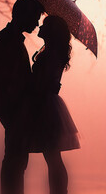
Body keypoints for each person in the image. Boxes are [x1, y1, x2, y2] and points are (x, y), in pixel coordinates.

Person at [0, 0, 43, 194]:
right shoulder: (7, 40)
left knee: (17, 159)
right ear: (23, 15)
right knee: (15, 159)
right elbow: (10, 79)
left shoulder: (9, 39)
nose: (37, 24)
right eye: (35, 18)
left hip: (15, 108)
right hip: (15, 108)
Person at [28, 15, 80, 194]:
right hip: (46, 104)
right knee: (52, 156)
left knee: (52, 156)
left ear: (51, 31)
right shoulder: (51, 51)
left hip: (45, 106)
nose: (39, 27)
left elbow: (45, 81)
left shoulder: (51, 54)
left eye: (44, 25)